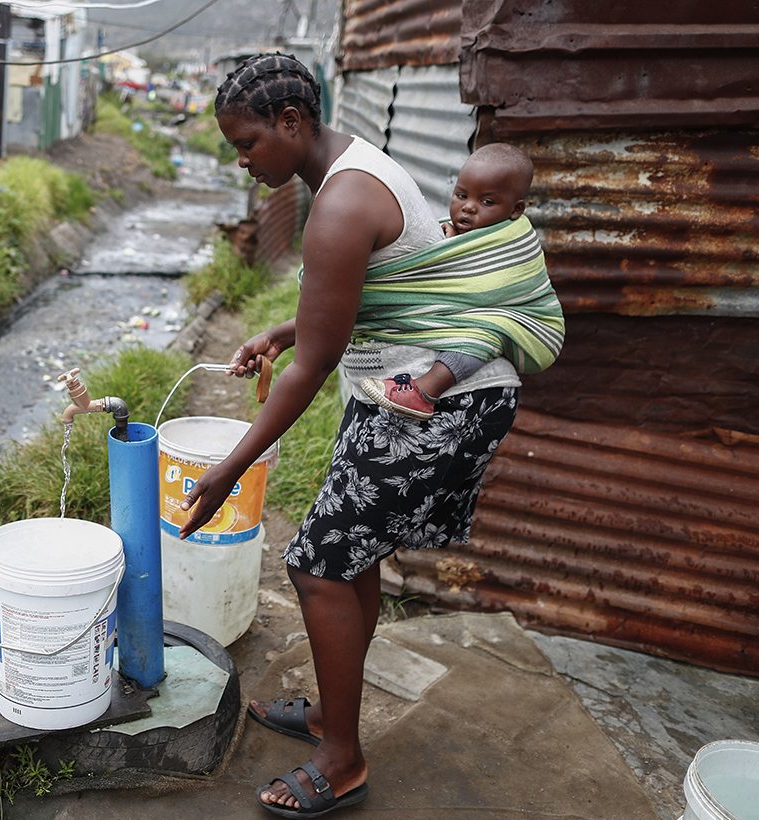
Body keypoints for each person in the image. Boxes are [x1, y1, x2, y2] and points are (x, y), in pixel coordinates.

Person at [179, 53, 522, 817]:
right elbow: (360, 297)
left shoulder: (339, 204)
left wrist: (232, 467)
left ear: (292, 124)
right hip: (404, 392)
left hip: (439, 402)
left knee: (319, 569)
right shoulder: (351, 170)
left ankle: (343, 761)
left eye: (247, 144)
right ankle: (335, 720)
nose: (242, 162)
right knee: (345, 556)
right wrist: (280, 328)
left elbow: (314, 365)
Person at [359, 143, 555, 419]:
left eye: (486, 202)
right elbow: (446, 277)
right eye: (461, 195)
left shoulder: (513, 241)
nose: (468, 208)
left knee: (481, 333)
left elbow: (490, 288)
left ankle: (425, 392)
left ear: (515, 209)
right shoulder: (448, 232)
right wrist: (449, 246)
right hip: (487, 316)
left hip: (529, 326)